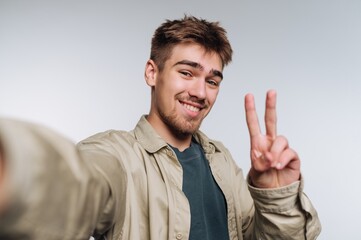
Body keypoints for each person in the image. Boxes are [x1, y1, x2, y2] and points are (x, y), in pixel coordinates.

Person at [0, 15, 321, 240]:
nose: (200, 91)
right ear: (152, 73)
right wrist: (18, 171)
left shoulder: (221, 160)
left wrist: (274, 197)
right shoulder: (116, 156)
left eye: (212, 80)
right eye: (186, 72)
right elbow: (77, 186)